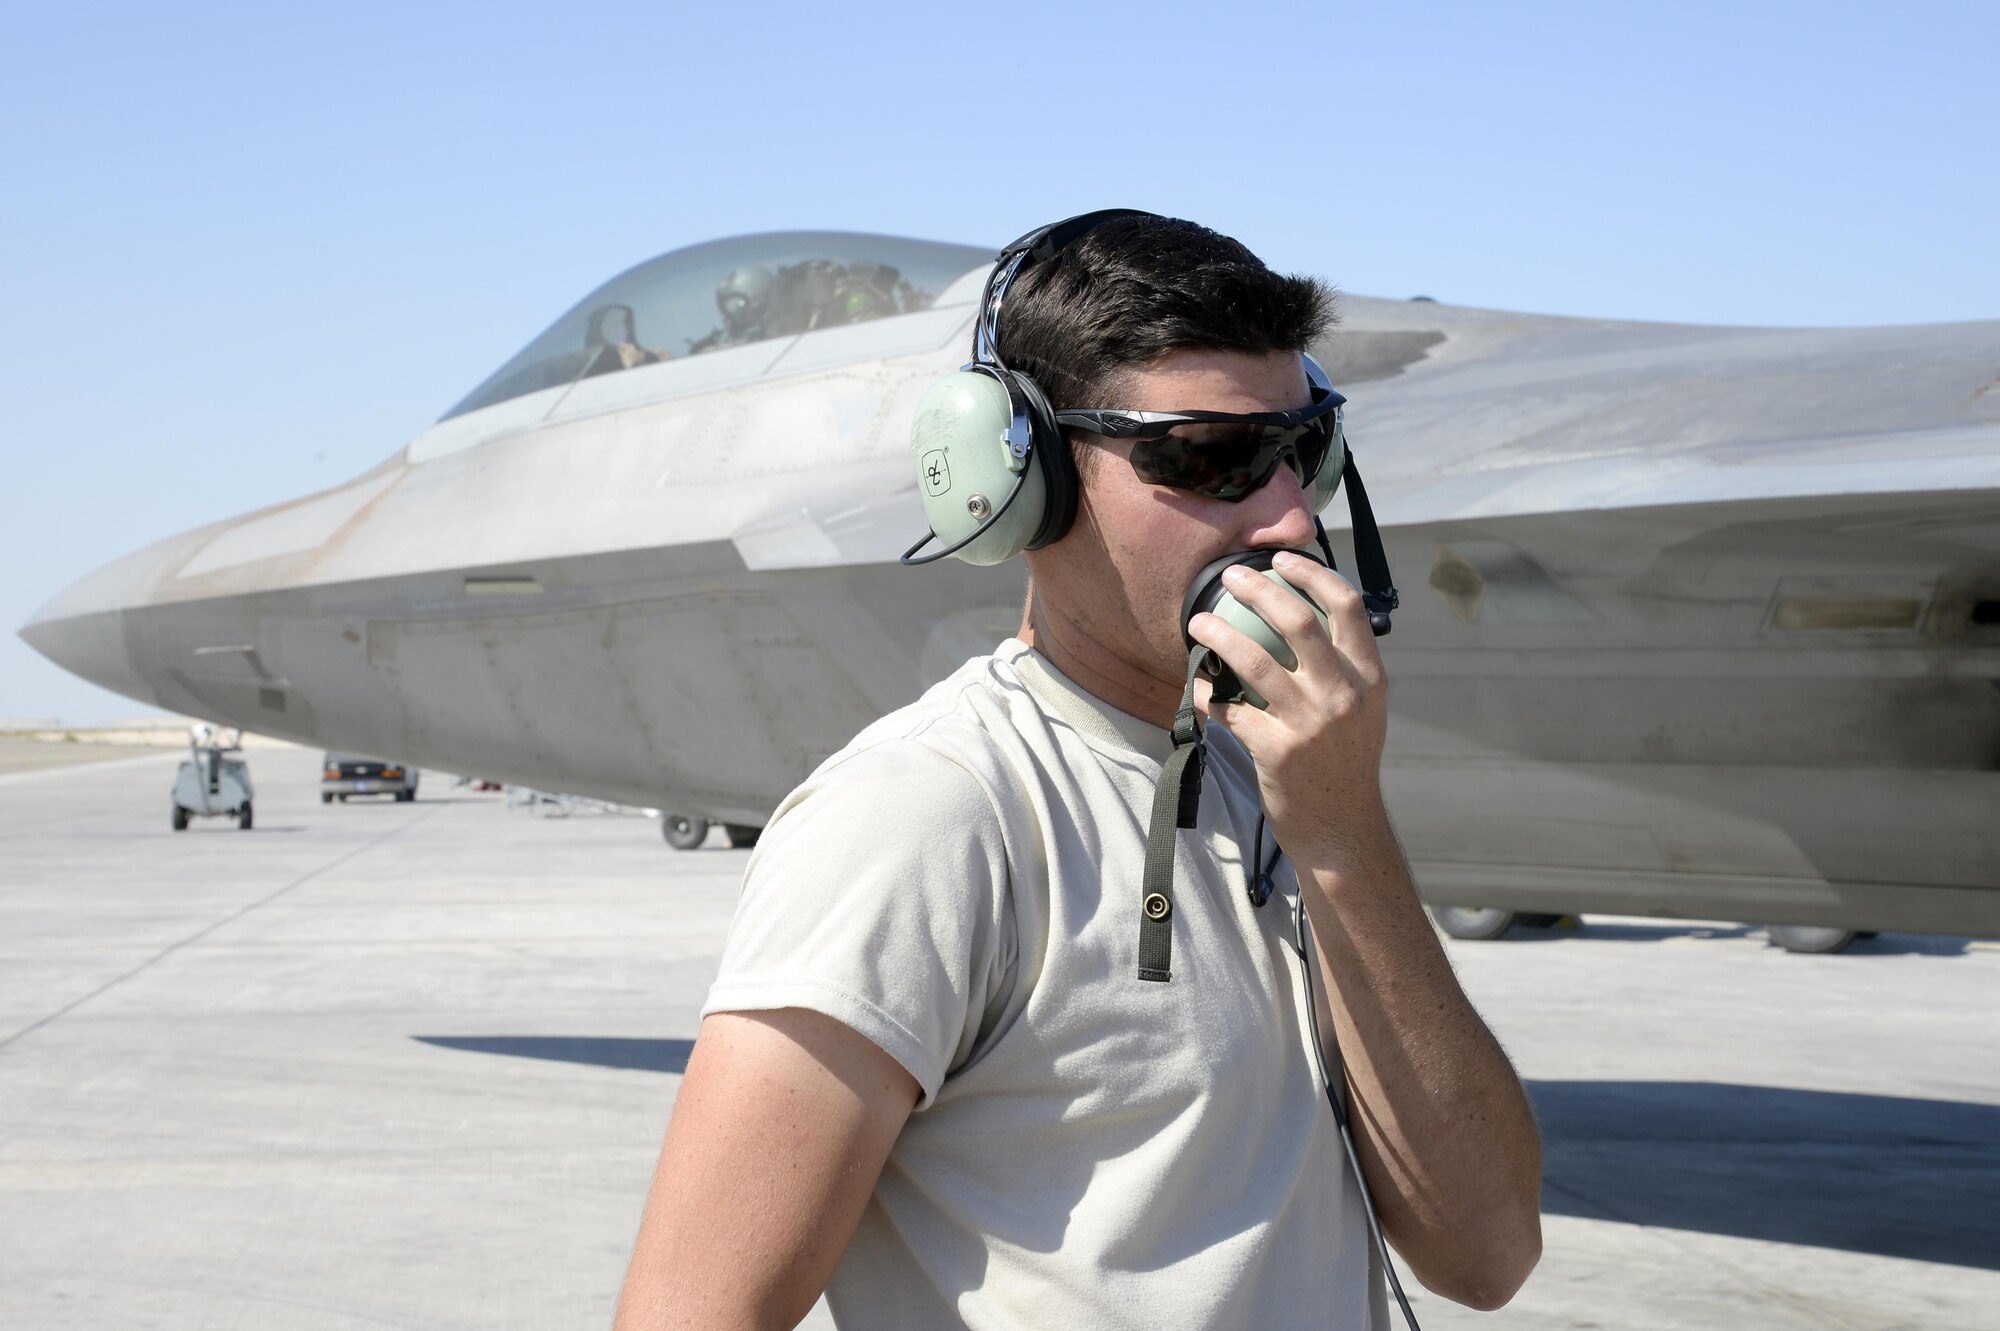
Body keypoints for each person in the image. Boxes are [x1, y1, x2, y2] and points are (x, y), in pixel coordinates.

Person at [615, 212, 1542, 1329]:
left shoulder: (1284, 782)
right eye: (1208, 456)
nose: (1290, 514)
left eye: (1306, 448)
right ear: (1026, 477)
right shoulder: (926, 813)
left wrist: (1344, 837)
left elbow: (1486, 1254)